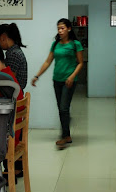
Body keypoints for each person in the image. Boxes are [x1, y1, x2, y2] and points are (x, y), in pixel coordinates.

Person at [31, 18, 83, 148]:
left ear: (69, 29)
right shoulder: (55, 44)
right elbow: (47, 62)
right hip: (57, 80)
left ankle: (65, 136)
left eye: (62, 28)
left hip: (69, 81)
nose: (60, 31)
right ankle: (67, 134)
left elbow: (80, 63)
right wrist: (37, 75)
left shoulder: (75, 44)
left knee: (64, 108)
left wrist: (72, 76)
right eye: (58, 28)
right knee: (61, 108)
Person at [0, 23, 28, 90]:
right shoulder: (14, 51)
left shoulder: (14, 54)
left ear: (3, 37)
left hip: (14, 92)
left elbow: (9, 79)